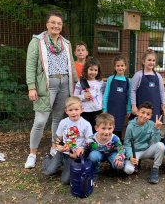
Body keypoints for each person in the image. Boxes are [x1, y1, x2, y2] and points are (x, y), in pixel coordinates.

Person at [25, 10, 78, 169]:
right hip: (46, 86)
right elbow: (30, 66)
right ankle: (32, 154)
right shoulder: (38, 41)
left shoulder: (66, 43)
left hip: (65, 84)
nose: (56, 25)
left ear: (62, 26)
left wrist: (79, 84)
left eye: (59, 23)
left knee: (57, 119)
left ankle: (54, 149)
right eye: (53, 22)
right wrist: (31, 87)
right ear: (47, 24)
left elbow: (72, 66)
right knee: (40, 121)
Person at [42, 97, 93, 184]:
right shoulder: (63, 122)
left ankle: (65, 164)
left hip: (74, 155)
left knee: (65, 181)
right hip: (62, 152)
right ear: (66, 111)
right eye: (70, 110)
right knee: (48, 172)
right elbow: (58, 138)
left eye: (76, 109)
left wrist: (82, 149)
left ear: (81, 110)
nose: (73, 112)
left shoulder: (86, 124)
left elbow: (90, 141)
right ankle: (48, 158)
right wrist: (59, 147)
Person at [123, 101, 164, 184]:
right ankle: (130, 161)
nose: (145, 116)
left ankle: (155, 169)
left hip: (146, 149)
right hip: (135, 152)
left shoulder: (152, 124)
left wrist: (156, 129)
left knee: (161, 146)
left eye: (148, 114)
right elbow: (127, 143)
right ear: (138, 112)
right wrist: (131, 156)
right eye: (143, 112)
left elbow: (156, 141)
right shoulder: (130, 126)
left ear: (150, 116)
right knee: (129, 170)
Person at [83, 113, 125, 181]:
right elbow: (84, 147)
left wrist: (120, 156)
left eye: (109, 128)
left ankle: (113, 169)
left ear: (113, 127)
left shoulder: (115, 138)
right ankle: (95, 171)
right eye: (103, 128)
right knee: (93, 156)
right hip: (98, 154)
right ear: (97, 128)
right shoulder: (91, 139)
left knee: (119, 165)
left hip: (111, 153)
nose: (106, 132)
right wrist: (81, 151)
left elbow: (121, 148)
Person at [130, 49, 165, 121]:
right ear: (143, 61)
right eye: (149, 60)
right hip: (141, 109)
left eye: (153, 60)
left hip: (155, 108)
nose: (151, 62)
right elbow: (132, 91)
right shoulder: (138, 75)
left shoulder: (158, 76)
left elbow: (162, 91)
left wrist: (163, 105)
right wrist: (133, 106)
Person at [103, 56, 131, 140]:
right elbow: (106, 94)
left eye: (122, 65)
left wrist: (129, 109)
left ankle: (117, 148)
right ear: (115, 67)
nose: (120, 68)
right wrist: (104, 108)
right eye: (118, 66)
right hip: (110, 109)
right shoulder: (110, 79)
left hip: (121, 110)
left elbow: (129, 97)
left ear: (125, 67)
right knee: (108, 127)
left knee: (118, 128)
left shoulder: (128, 81)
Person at [74, 57, 105, 133]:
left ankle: (95, 144)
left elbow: (103, 94)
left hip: (97, 111)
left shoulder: (100, 82)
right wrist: (83, 96)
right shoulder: (81, 82)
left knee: (96, 131)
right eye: (91, 69)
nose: (93, 72)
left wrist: (102, 107)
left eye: (95, 70)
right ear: (86, 69)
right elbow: (74, 98)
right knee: (85, 131)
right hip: (85, 111)